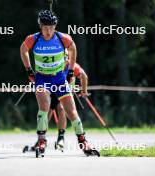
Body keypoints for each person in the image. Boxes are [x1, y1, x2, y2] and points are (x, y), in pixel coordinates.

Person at [20, 10, 99, 157]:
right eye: (45, 27)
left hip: (59, 79)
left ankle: (84, 142)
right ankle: (42, 140)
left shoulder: (63, 38)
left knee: (71, 112)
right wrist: (29, 70)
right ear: (40, 27)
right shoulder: (34, 39)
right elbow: (23, 49)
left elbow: (73, 48)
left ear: (55, 27)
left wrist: (70, 71)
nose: (48, 31)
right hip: (42, 79)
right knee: (44, 106)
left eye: (51, 27)